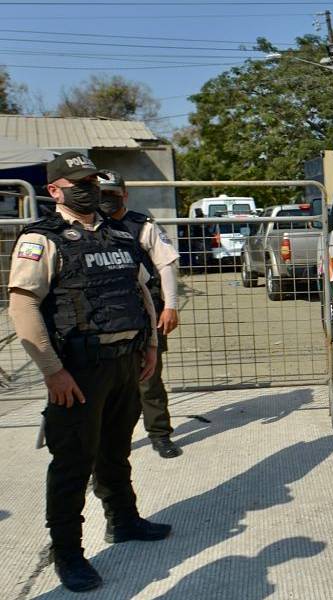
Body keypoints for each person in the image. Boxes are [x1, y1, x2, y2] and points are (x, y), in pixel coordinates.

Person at [7, 152, 171, 592]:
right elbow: (22, 306)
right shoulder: (42, 239)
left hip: (126, 363)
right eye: (77, 182)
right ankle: (69, 553)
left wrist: (150, 344)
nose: (88, 188)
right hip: (77, 372)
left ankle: (124, 520)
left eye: (92, 181)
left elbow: (140, 289)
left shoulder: (119, 232)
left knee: (116, 452)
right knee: (73, 464)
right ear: (54, 190)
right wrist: (52, 372)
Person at [98, 169, 183, 458]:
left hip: (145, 311)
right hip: (102, 317)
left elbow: (166, 265)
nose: (106, 200)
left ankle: (159, 434)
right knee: (105, 384)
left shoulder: (141, 226)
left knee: (149, 378)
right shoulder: (88, 227)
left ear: (124, 194)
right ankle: (104, 444)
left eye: (111, 193)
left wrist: (170, 305)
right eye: (101, 194)